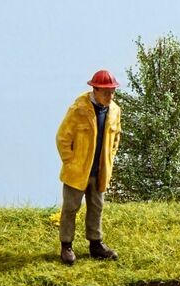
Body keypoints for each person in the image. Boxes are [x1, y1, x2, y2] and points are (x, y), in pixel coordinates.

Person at [55, 69, 123, 265]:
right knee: (70, 207)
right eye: (106, 91)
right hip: (78, 172)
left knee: (96, 207)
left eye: (112, 92)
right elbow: (62, 138)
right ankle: (66, 245)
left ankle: (96, 243)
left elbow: (116, 137)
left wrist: (109, 157)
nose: (110, 96)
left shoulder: (115, 111)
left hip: (99, 171)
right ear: (95, 89)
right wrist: (71, 162)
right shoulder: (78, 110)